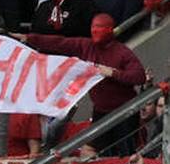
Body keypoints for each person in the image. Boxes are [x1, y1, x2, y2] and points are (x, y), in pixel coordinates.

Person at [13, 14, 147, 156]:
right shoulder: (86, 46)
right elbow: (60, 43)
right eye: (93, 27)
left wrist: (114, 73)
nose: (95, 31)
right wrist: (29, 38)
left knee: (125, 151)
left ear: (109, 30)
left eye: (100, 27)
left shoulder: (122, 52)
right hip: (100, 111)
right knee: (101, 151)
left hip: (124, 111)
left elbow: (139, 76)